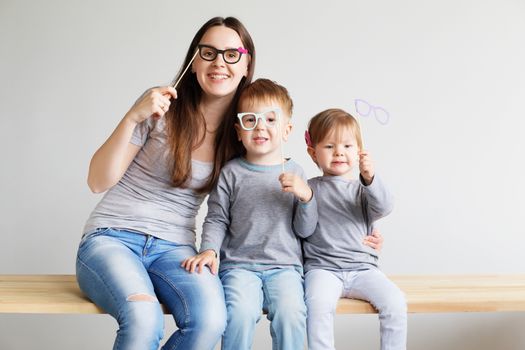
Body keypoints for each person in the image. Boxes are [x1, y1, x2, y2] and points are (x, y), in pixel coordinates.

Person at [75, 16, 255, 350]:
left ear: (246, 65)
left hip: (176, 250)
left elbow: (264, 196)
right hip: (112, 239)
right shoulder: (161, 111)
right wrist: (132, 116)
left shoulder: (242, 136)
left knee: (211, 322)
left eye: (232, 54)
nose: (219, 62)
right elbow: (98, 181)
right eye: (208, 52)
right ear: (193, 61)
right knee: (144, 319)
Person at [182, 78, 317, 350]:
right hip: (239, 266)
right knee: (239, 315)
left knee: (292, 314)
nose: (260, 127)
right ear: (238, 130)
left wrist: (306, 199)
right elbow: (217, 218)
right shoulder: (231, 173)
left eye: (270, 119)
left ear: (286, 129)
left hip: (285, 267)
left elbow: (305, 230)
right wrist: (209, 250)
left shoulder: (296, 173)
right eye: (250, 120)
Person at [302, 109, 407, 350]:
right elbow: (301, 228)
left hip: (363, 269)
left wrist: (370, 177)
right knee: (317, 306)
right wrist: (303, 198)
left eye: (348, 146)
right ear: (313, 153)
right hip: (323, 269)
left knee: (395, 302)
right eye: (329, 146)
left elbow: (385, 206)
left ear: (359, 152)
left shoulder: (363, 189)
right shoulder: (309, 189)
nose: (339, 152)